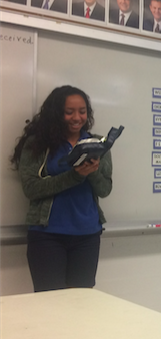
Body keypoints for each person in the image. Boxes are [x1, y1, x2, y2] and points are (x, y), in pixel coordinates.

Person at [10, 86, 113, 292]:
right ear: (57, 113)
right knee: (50, 304)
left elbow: (105, 189)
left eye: (82, 111)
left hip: (88, 234)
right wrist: (75, 176)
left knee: (81, 302)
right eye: (69, 112)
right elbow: (31, 189)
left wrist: (90, 170)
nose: (77, 117)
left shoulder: (96, 143)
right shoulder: (38, 144)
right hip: (48, 236)